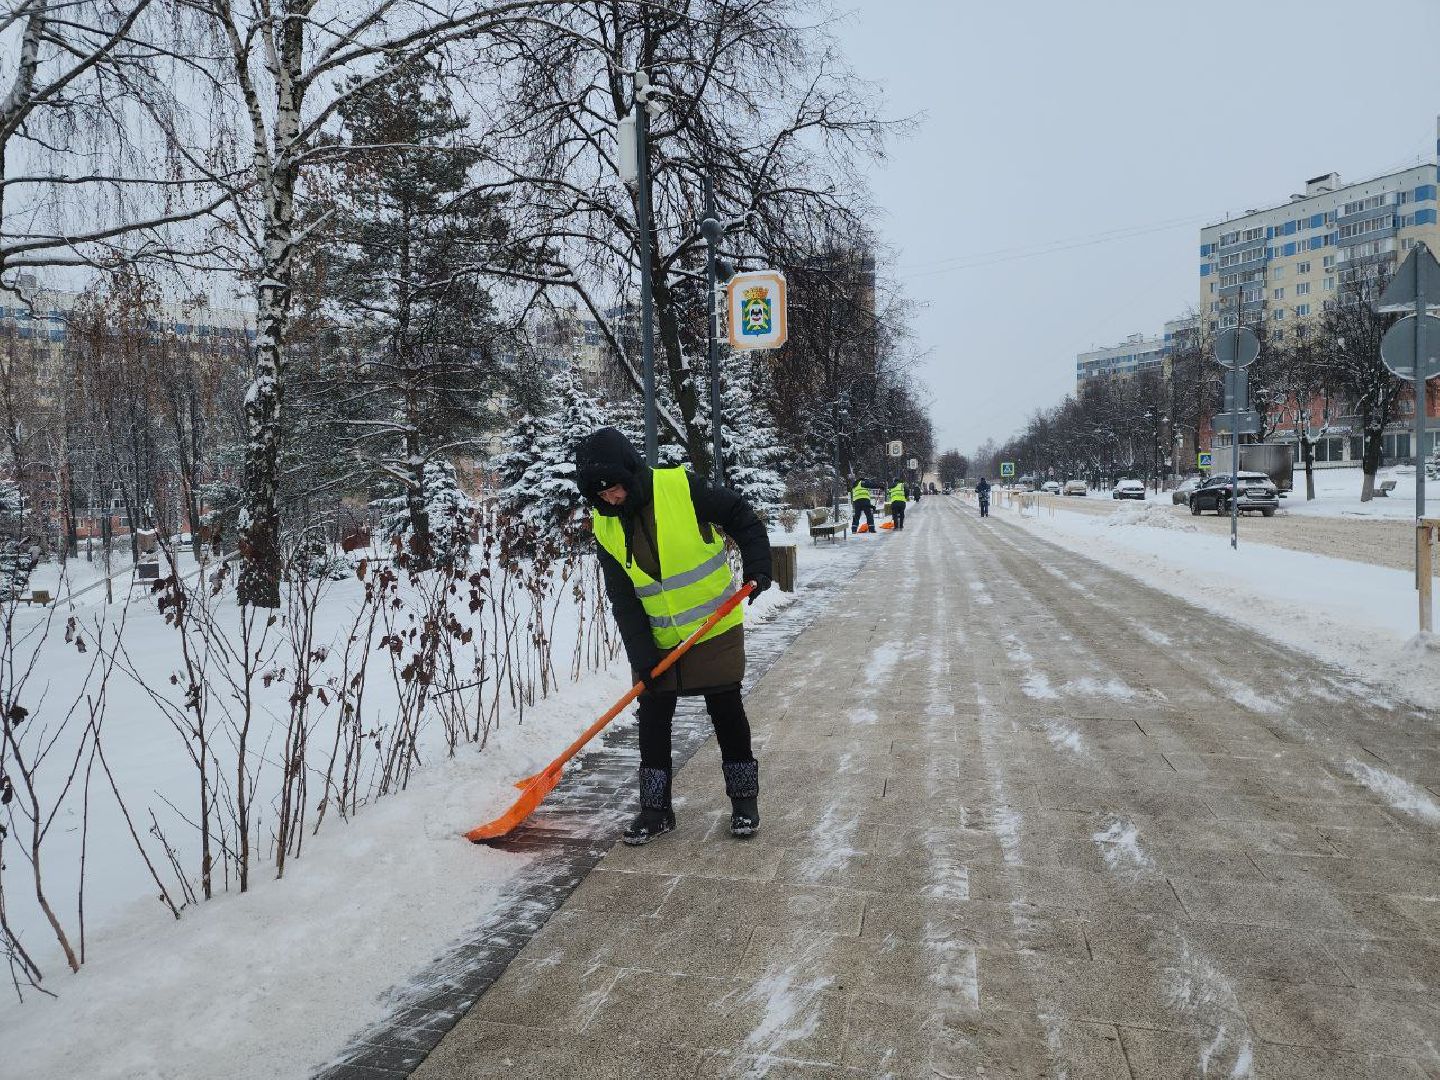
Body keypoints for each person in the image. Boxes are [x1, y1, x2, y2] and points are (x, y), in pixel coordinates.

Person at [575, 427, 772, 846]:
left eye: (613, 488)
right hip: (658, 636)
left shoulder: (678, 486)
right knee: (652, 717)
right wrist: (641, 653)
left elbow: (740, 515)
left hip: (712, 626)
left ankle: (743, 801)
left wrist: (758, 566)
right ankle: (655, 809)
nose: (609, 498)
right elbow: (623, 597)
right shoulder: (604, 526)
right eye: (599, 494)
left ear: (630, 473)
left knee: (726, 711)